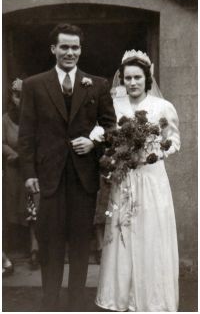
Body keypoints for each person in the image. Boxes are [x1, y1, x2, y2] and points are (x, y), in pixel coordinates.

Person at [18, 23, 116, 311]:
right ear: (54, 49)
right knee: (50, 244)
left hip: (83, 178)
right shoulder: (34, 85)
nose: (70, 52)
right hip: (48, 177)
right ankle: (49, 303)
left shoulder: (97, 84)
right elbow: (26, 134)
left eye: (75, 47)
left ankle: (75, 303)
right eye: (64, 47)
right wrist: (29, 173)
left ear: (80, 50)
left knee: (80, 244)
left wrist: (94, 143)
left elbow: (111, 127)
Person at [96, 50, 180, 312]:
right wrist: (102, 140)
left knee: (150, 234)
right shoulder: (114, 105)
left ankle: (153, 300)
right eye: (127, 78)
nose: (132, 83)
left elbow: (174, 141)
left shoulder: (162, 107)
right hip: (125, 178)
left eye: (137, 78)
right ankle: (119, 297)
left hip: (151, 179)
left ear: (148, 78)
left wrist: (156, 153)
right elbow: (102, 130)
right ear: (121, 80)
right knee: (123, 232)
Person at [2, 78, 39, 269]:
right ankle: (7, 252)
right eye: (17, 96)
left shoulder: (35, 118)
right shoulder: (5, 120)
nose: (20, 101)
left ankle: (35, 250)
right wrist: (13, 154)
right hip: (14, 171)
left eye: (24, 97)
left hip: (32, 171)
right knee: (11, 210)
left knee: (34, 211)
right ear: (12, 97)